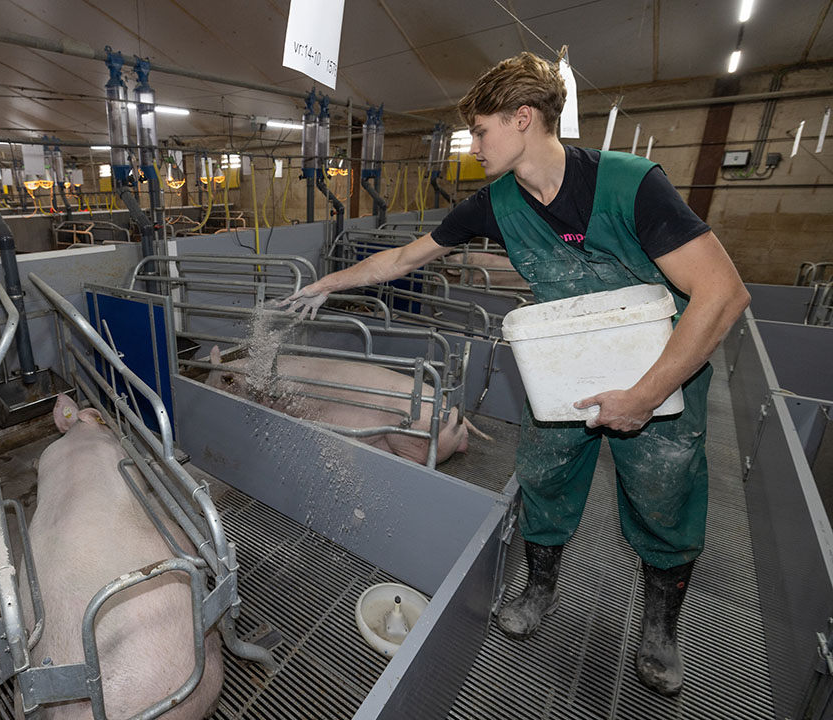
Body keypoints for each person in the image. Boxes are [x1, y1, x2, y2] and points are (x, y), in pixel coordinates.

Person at [282, 52, 750, 696]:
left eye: (479, 131)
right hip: (560, 367)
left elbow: (723, 294)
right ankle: (537, 591)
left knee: (664, 499)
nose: (472, 147)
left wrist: (644, 397)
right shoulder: (496, 204)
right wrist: (327, 283)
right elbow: (404, 257)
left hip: (658, 375)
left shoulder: (631, 184)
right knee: (546, 481)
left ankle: (660, 631)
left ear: (523, 118)